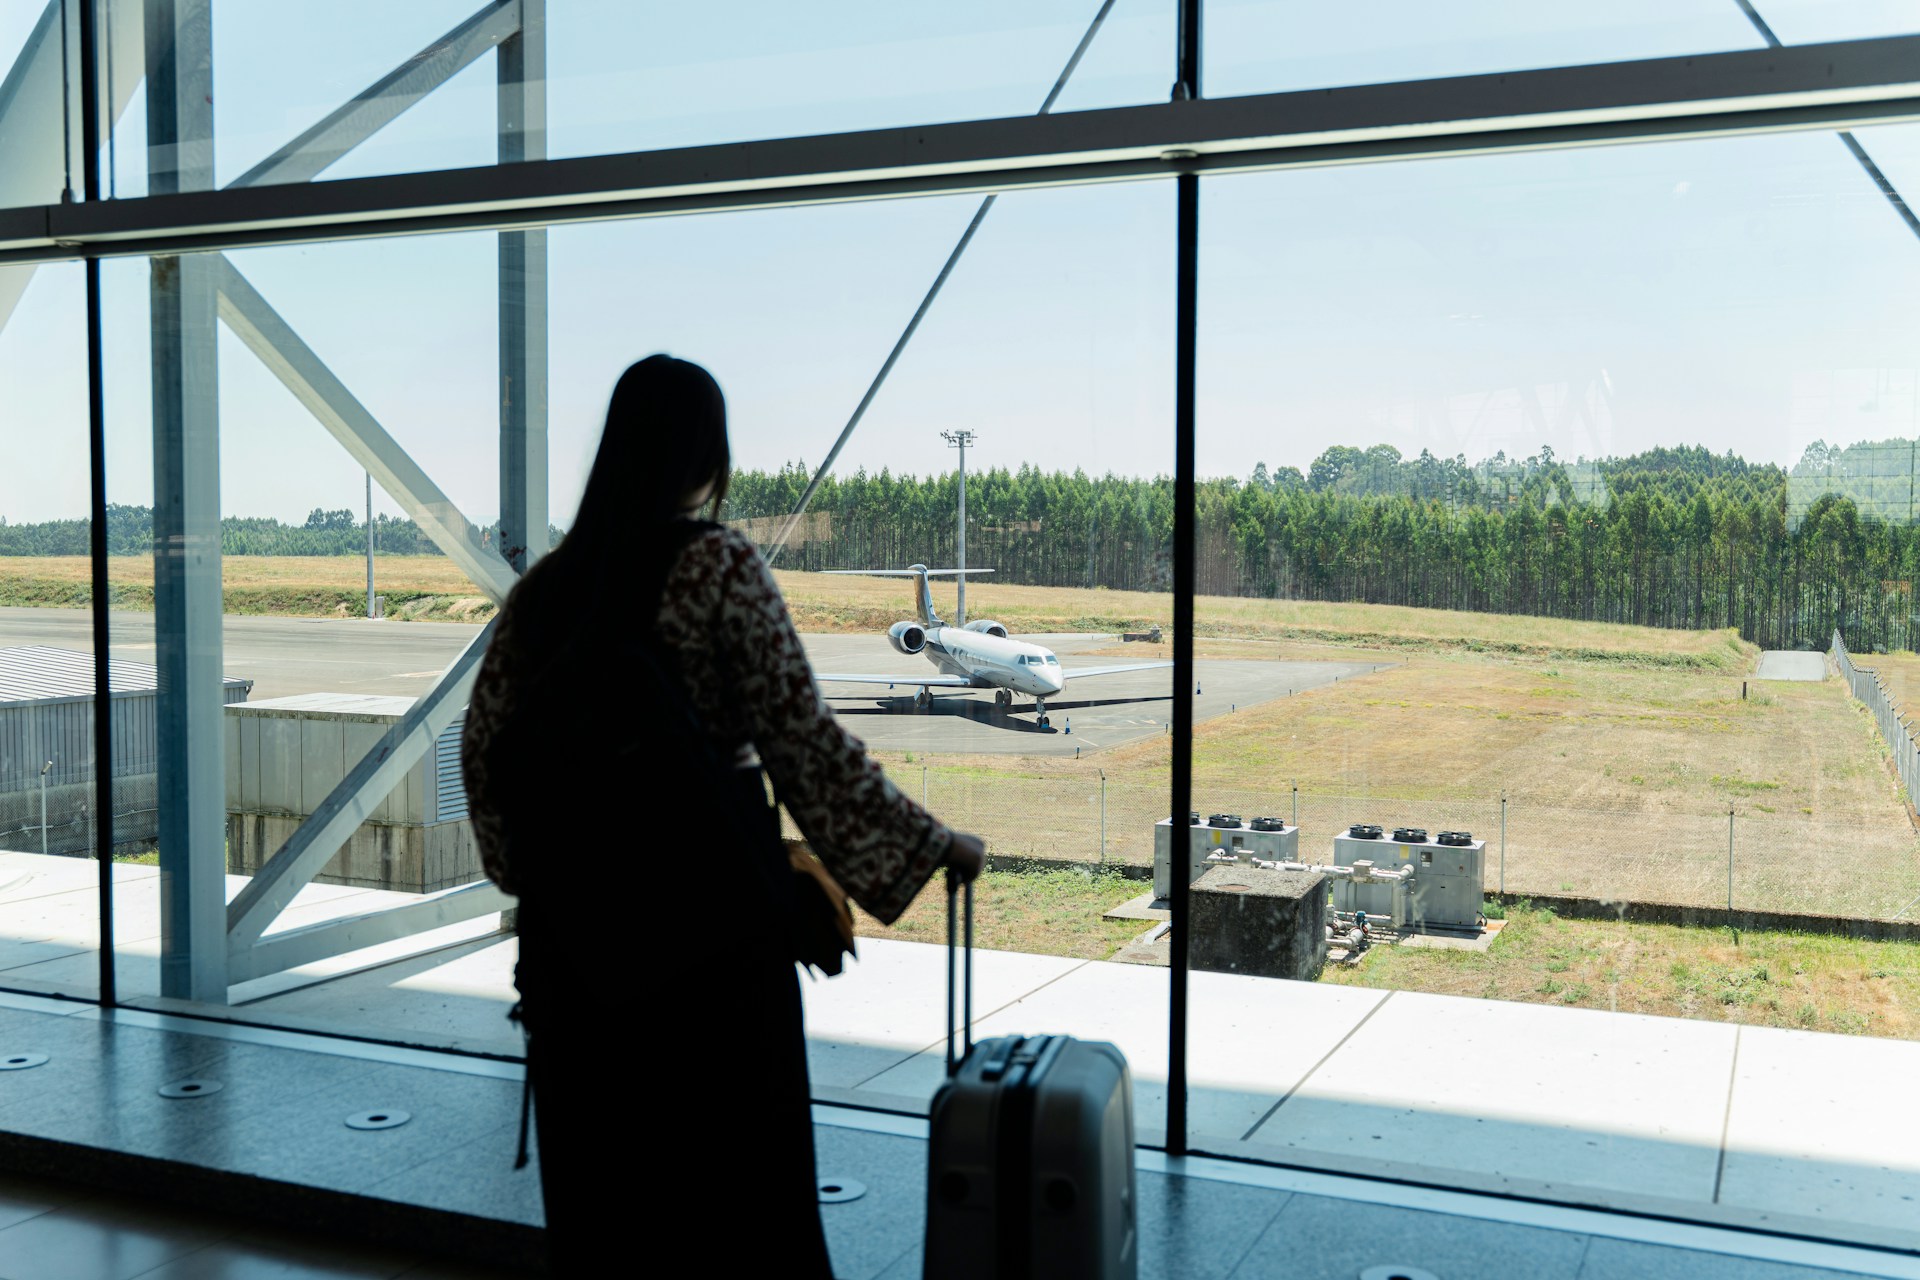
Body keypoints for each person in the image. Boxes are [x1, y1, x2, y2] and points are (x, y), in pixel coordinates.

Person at [460, 354, 984, 1275]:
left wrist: (545, 880)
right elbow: (804, 744)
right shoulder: (718, 568)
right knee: (745, 1226)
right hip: (710, 965)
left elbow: (485, 757)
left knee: (606, 1227)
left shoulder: (545, 594)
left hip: (574, 969)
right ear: (708, 458)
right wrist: (931, 844)